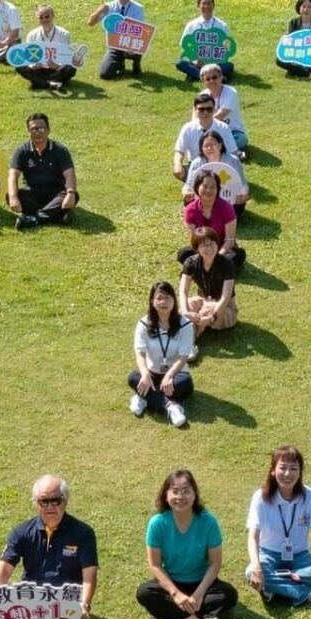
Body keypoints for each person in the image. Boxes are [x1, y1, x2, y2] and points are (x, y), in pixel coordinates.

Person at [0, 474, 100, 619]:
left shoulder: (83, 533)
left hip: (66, 601)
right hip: (32, 599)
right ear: (36, 503)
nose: (50, 506)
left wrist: (84, 605)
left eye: (56, 500)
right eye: (44, 501)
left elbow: (89, 576)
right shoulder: (21, 532)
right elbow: (3, 572)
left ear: (65, 501)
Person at [137, 469, 236, 619]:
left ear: (194, 495)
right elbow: (155, 565)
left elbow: (215, 563)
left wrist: (199, 594)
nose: (180, 497)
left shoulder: (208, 521)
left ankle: (176, 615)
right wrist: (175, 594)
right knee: (145, 593)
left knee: (229, 594)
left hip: (202, 583)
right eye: (175, 491)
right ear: (166, 496)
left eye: (186, 491)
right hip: (172, 583)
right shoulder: (157, 523)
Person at [245, 447, 311, 607]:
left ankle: (273, 586)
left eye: (294, 468)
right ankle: (309, 592)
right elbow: (253, 536)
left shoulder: (310, 496)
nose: (288, 474)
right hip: (268, 555)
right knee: (250, 572)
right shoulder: (260, 497)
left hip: (299, 556)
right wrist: (256, 567)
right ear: (273, 471)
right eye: (282, 468)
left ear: (300, 472)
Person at [129, 281, 195, 428]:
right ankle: (170, 405)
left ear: (174, 300)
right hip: (153, 374)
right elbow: (140, 353)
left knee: (183, 384)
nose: (163, 302)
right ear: (152, 302)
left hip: (176, 375)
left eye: (167, 298)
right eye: (159, 298)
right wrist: (145, 373)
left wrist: (170, 375)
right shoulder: (144, 324)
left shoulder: (185, 325)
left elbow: (183, 356)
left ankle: (144, 397)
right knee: (133, 378)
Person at [8, 112, 78, 229]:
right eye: (33, 129)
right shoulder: (22, 151)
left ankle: (34, 218)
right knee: (10, 195)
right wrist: (13, 197)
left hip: (55, 193)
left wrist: (70, 193)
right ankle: (56, 215)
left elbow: (69, 173)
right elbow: (13, 175)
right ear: (28, 132)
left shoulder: (60, 150)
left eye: (41, 129)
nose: (37, 132)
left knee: (72, 194)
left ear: (48, 130)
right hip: (32, 194)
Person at [170, 93, 241, 184]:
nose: (205, 112)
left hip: (219, 166)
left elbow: (233, 152)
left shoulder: (223, 127)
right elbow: (179, 151)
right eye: (201, 109)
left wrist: (234, 170)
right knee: (178, 170)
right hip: (196, 166)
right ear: (195, 110)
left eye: (209, 109)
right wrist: (177, 165)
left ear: (214, 110)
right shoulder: (188, 128)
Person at [180, 227, 238, 335]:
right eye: (204, 245)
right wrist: (185, 312)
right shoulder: (191, 262)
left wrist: (211, 318)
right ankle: (189, 333)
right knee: (188, 304)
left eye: (212, 243)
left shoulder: (227, 264)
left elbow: (226, 296)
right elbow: (183, 290)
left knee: (206, 310)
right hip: (203, 299)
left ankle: (192, 334)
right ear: (197, 248)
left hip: (224, 306)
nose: (209, 248)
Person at [179, 172, 242, 266]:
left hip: (223, 249)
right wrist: (205, 255)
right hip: (201, 249)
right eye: (205, 186)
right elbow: (194, 241)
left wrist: (217, 256)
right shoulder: (190, 210)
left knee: (239, 255)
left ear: (217, 190)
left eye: (213, 187)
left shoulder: (227, 208)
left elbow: (230, 240)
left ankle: (212, 265)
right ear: (197, 187)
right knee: (183, 254)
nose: (208, 190)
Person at [88, 0, 145, 80]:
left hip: (131, 43)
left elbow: (139, 31)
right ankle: (120, 63)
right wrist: (99, 11)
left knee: (139, 46)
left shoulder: (138, 8)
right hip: (114, 46)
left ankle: (136, 62)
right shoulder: (109, 7)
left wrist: (131, 46)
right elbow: (90, 23)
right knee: (104, 74)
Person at [175, 0, 235, 81]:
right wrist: (193, 61)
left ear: (214, 5)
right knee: (180, 63)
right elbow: (184, 46)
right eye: (203, 4)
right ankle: (210, 77)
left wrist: (214, 60)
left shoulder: (222, 26)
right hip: (197, 62)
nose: (206, 6)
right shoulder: (191, 25)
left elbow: (227, 48)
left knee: (229, 66)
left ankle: (196, 75)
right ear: (198, 6)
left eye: (209, 3)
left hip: (215, 63)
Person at [16, 5, 78, 90]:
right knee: (19, 66)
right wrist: (33, 65)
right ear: (37, 18)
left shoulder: (64, 33)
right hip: (39, 69)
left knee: (71, 68)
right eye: (41, 17)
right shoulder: (32, 35)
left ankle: (41, 82)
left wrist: (56, 66)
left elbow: (66, 56)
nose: (44, 20)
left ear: (53, 16)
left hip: (56, 69)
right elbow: (28, 56)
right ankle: (51, 82)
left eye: (47, 16)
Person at [183, 128, 249, 207]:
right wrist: (186, 193)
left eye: (212, 145)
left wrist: (243, 195)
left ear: (220, 145)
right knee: (189, 202)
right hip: (204, 199)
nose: (209, 148)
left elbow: (242, 184)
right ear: (202, 148)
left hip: (227, 200)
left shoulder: (233, 161)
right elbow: (189, 185)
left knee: (239, 205)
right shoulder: (196, 163)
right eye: (206, 146)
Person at [197, 65, 247, 151]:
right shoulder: (202, 95)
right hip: (210, 132)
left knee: (240, 140)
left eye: (214, 77)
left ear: (221, 77)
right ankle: (226, 152)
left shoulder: (231, 92)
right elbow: (195, 115)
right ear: (203, 81)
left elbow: (221, 115)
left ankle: (212, 151)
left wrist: (203, 127)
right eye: (208, 79)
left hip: (232, 132)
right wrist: (196, 129)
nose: (211, 81)